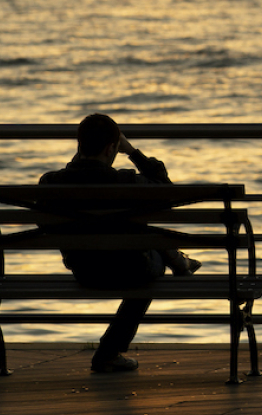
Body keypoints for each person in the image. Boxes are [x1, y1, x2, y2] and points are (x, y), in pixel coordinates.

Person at [39, 113, 201, 373]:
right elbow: (167, 192)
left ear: (79, 146)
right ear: (110, 148)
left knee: (137, 233)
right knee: (145, 244)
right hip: (134, 269)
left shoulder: (50, 183)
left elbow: (44, 224)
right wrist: (133, 152)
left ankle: (177, 259)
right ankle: (109, 351)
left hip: (85, 269)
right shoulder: (126, 182)